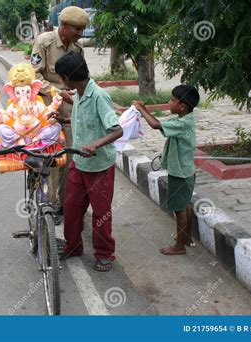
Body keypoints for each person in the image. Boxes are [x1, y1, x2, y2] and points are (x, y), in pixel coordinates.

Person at [53, 51, 123, 272]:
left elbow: (117, 129)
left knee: (101, 214)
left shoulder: (99, 96)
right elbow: (84, 117)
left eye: (61, 77)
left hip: (99, 166)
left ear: (67, 77)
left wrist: (95, 144)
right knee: (72, 208)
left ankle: (104, 254)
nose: (61, 82)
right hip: (79, 163)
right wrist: (64, 118)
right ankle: (73, 246)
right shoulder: (81, 94)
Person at [31, 6, 90, 225]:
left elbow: (84, 76)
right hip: (49, 111)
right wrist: (57, 92)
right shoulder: (44, 42)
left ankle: (68, 204)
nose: (80, 34)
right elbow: (33, 77)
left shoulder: (77, 47)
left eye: (82, 30)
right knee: (52, 158)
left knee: (69, 157)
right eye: (77, 29)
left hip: (71, 110)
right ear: (64, 26)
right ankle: (51, 204)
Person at [132, 85, 200, 255]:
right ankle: (186, 238)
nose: (169, 103)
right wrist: (144, 109)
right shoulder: (186, 119)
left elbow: (155, 125)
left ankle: (179, 247)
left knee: (179, 209)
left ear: (182, 106)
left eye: (172, 100)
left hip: (179, 173)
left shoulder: (182, 123)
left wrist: (141, 108)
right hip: (187, 172)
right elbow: (159, 124)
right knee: (186, 205)